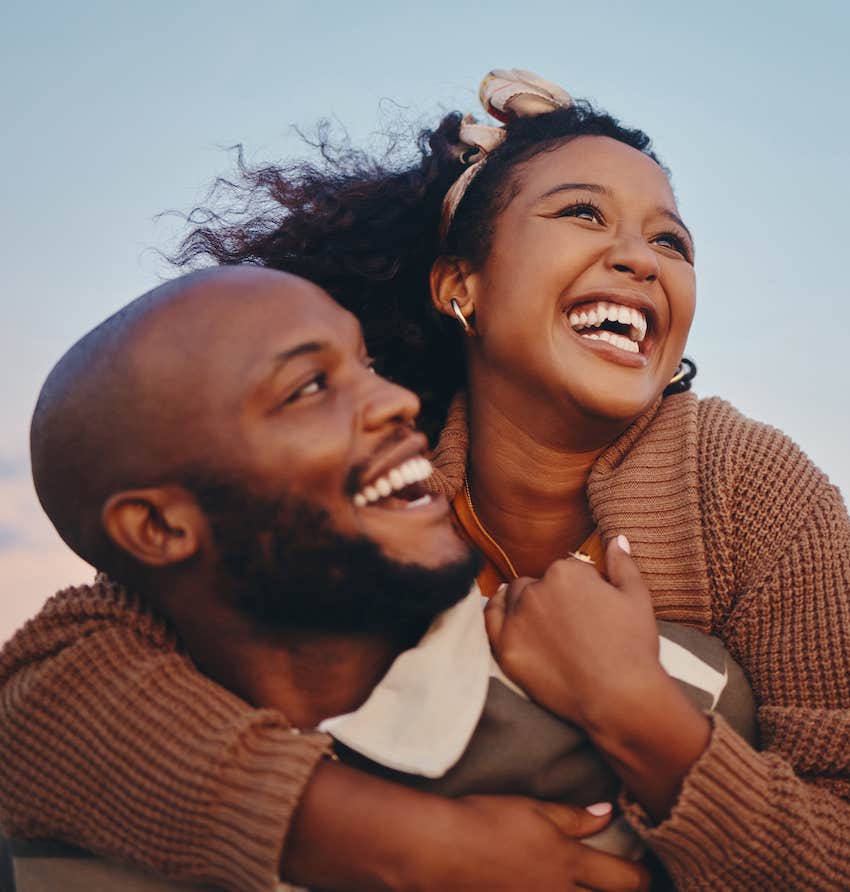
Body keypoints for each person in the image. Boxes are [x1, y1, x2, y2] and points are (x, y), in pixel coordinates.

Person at [2, 69, 849, 890]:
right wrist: (399, 842)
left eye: (671, 241)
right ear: (459, 287)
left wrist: (636, 712)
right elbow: (47, 690)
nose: (640, 259)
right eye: (583, 213)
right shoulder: (375, 460)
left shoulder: (747, 487)